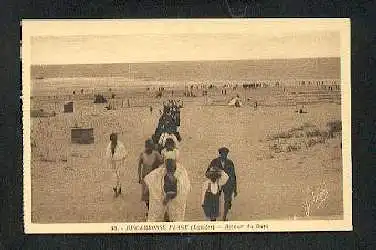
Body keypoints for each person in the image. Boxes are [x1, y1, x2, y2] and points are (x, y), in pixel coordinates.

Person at [144, 157, 191, 222]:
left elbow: (169, 195)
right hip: (171, 197)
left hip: (171, 198)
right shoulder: (179, 173)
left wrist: (164, 202)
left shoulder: (173, 178)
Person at [206, 147, 237, 221]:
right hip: (217, 184)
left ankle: (224, 217)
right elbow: (207, 173)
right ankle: (213, 217)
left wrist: (235, 189)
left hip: (228, 184)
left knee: (227, 200)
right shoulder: (214, 162)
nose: (224, 155)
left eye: (226, 154)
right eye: (223, 154)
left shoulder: (230, 162)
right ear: (220, 154)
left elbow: (233, 176)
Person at [138, 139, 163, 215]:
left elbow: (162, 161)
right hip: (145, 177)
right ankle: (149, 209)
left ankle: (152, 210)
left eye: (151, 146)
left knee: (153, 193)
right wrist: (139, 177)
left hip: (153, 177)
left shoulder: (155, 154)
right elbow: (139, 166)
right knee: (146, 195)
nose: (150, 148)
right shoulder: (142, 154)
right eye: (149, 147)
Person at [105, 133, 127, 197]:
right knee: (114, 178)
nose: (114, 141)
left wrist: (123, 164)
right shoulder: (109, 146)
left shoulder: (121, 146)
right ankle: (115, 190)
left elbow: (124, 155)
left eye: (115, 139)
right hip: (112, 164)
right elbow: (108, 156)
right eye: (113, 140)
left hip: (120, 164)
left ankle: (119, 189)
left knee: (120, 177)